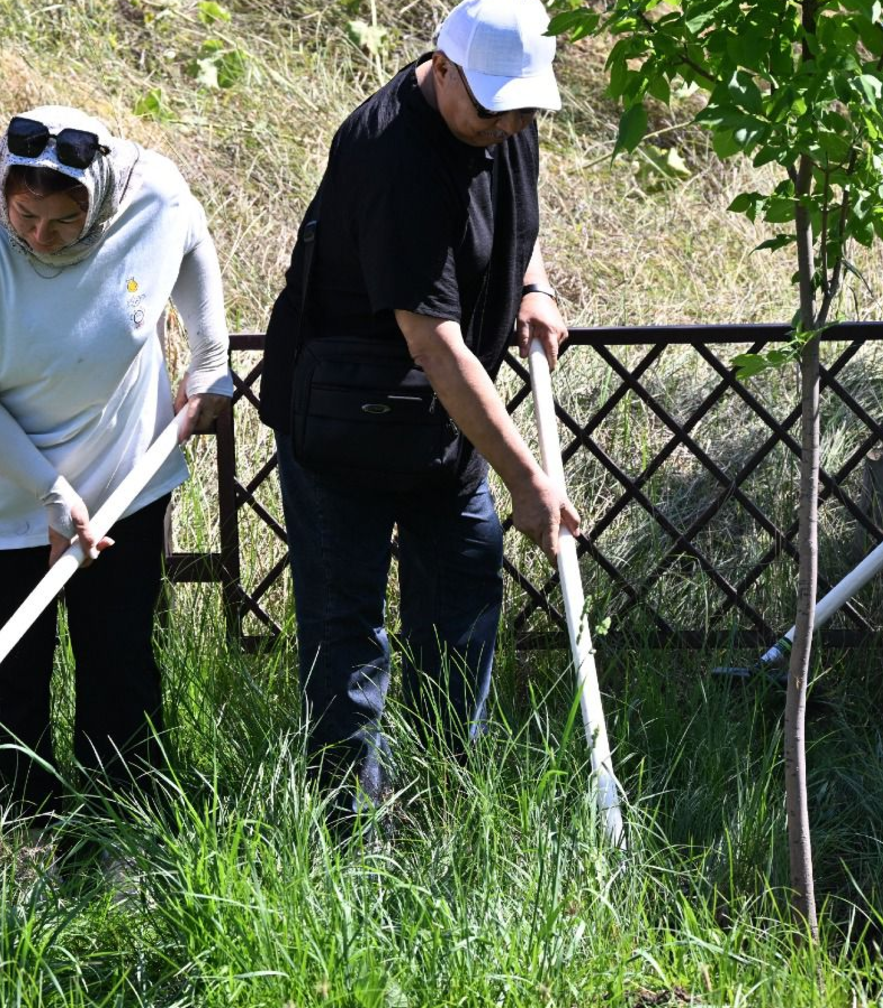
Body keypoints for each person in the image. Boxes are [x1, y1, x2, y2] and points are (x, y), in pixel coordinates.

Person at [258, 0, 578, 810]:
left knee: (464, 598)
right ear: (442, 66)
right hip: (343, 428)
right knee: (349, 636)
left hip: (441, 422)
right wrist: (529, 481)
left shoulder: (503, 107)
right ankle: (348, 835)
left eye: (521, 112)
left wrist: (532, 283)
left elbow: (515, 205)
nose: (506, 127)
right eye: (490, 110)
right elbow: (434, 344)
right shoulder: (390, 156)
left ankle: (441, 806)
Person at [0, 106, 234, 831]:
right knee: (8, 687)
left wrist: (210, 357)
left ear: (100, 202)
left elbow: (190, 239)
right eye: (25, 215)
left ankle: (120, 830)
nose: (38, 235)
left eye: (61, 223)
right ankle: (16, 844)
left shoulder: (148, 193)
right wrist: (50, 493)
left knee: (121, 666)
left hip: (125, 481)